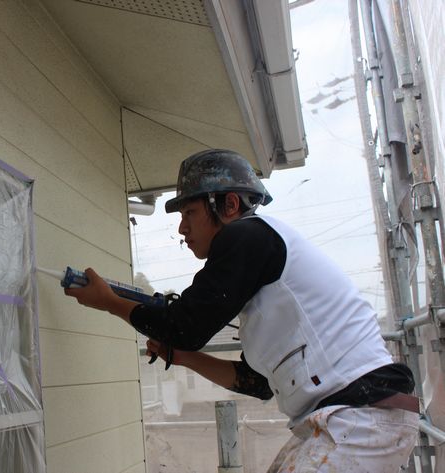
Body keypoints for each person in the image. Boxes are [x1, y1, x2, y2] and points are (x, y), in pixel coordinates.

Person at [65, 149, 420, 472]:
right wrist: (182, 357)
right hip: (358, 419)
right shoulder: (264, 280)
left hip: (360, 418)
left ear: (229, 204)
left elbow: (183, 326)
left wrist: (110, 302)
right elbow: (258, 384)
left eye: (190, 211)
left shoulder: (246, 236)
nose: (182, 228)